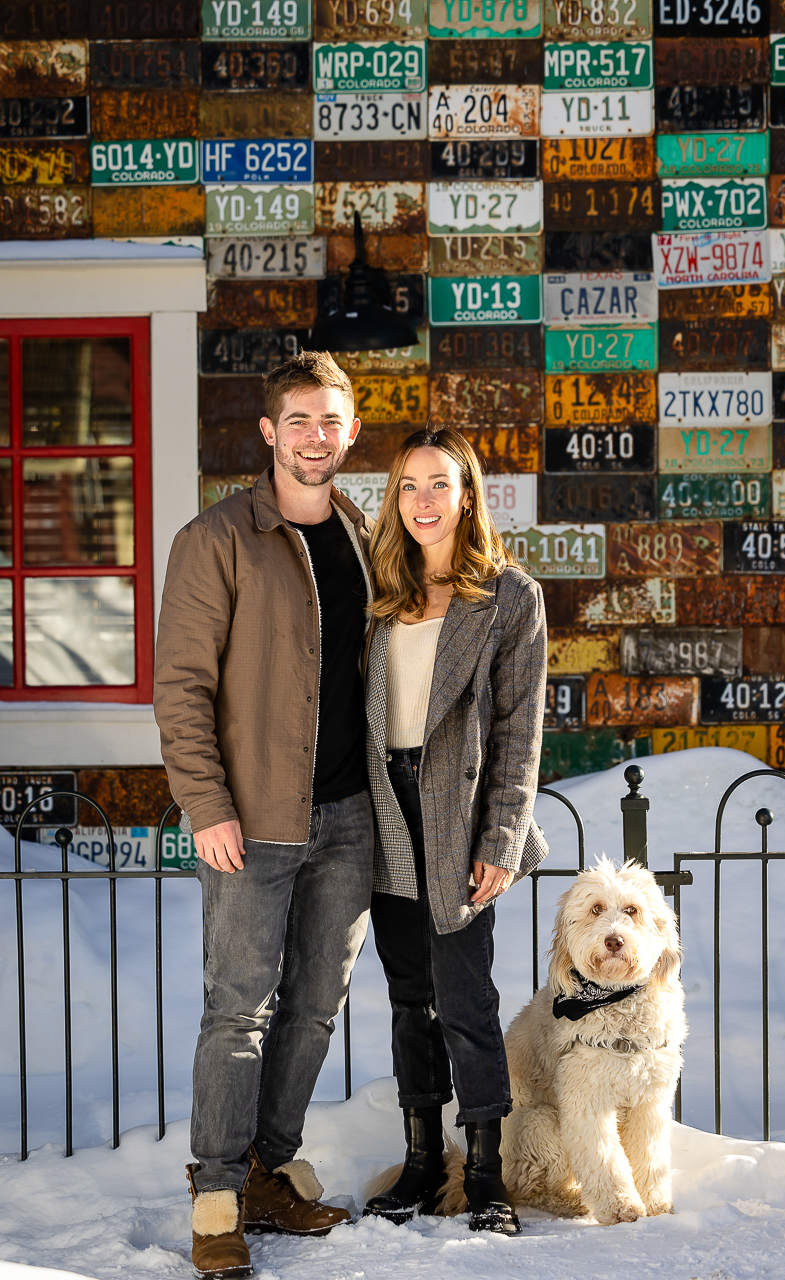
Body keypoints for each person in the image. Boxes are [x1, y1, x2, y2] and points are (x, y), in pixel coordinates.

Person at [153, 351, 375, 1279]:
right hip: (251, 819)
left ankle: (268, 1168)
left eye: (331, 422)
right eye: (298, 421)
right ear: (268, 433)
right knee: (238, 1008)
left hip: (350, 818)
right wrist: (205, 805)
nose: (314, 438)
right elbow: (181, 687)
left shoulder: (365, 531)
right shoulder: (217, 539)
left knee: (316, 1008)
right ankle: (213, 1195)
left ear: (349, 431)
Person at [361, 427, 548, 1236]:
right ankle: (421, 1162)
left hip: (458, 812)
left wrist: (500, 843)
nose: (423, 502)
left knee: (465, 1000)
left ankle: (485, 1175)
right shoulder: (376, 588)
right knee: (410, 1001)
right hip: (381, 810)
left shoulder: (509, 597)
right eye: (407, 486)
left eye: (438, 484)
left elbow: (519, 732)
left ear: (467, 494)